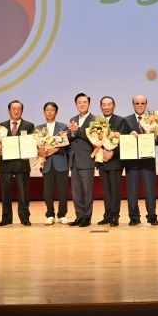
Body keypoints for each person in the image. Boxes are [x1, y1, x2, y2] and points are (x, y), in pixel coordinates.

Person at [0, 100, 35, 226]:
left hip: (22, 164)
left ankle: (24, 218)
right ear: (9, 111)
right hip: (5, 165)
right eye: (13, 109)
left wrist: (29, 150)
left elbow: (32, 143)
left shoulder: (29, 125)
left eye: (19, 109)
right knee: (5, 193)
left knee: (23, 194)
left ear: (22, 111)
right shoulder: (1, 126)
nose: (16, 111)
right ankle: (6, 218)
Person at [122, 95, 158, 226]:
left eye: (142, 103)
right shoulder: (126, 120)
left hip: (148, 161)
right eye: (137, 103)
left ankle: (152, 216)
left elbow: (157, 141)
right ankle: (134, 217)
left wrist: (154, 136)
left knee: (150, 191)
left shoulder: (153, 119)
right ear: (133, 104)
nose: (140, 105)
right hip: (132, 162)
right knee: (132, 191)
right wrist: (129, 135)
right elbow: (122, 139)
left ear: (146, 105)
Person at [96, 96, 128, 227]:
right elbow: (94, 140)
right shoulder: (96, 121)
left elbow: (123, 140)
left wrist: (111, 152)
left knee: (115, 191)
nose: (106, 107)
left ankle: (115, 216)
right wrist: (102, 153)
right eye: (104, 105)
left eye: (109, 104)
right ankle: (107, 215)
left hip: (115, 161)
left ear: (114, 106)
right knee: (106, 191)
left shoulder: (121, 120)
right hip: (102, 160)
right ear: (101, 107)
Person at [36, 102, 70, 225]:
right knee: (48, 191)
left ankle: (62, 215)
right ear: (44, 112)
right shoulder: (38, 128)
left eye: (52, 110)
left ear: (56, 112)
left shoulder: (63, 127)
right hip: (46, 163)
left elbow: (67, 144)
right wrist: (39, 151)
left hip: (60, 162)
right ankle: (50, 214)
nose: (50, 112)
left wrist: (54, 148)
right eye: (47, 110)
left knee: (63, 190)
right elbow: (35, 146)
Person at [68, 93, 96, 227]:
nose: (82, 104)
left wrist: (78, 130)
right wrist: (68, 134)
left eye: (84, 102)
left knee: (87, 191)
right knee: (76, 191)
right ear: (76, 104)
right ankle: (79, 215)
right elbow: (71, 137)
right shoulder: (73, 119)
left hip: (87, 159)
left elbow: (93, 138)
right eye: (79, 102)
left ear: (89, 103)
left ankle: (87, 217)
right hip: (74, 159)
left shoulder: (94, 119)